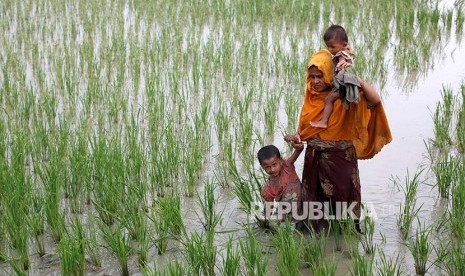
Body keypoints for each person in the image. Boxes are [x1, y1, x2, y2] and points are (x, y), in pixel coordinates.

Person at [297, 49, 392, 233]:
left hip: (341, 160)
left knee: (343, 201)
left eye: (320, 76)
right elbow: (304, 129)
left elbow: (375, 100)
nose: (316, 81)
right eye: (313, 77)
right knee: (315, 207)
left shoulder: (345, 96)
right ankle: (318, 238)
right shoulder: (311, 98)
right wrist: (297, 140)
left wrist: (356, 79)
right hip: (313, 160)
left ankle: (346, 236)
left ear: (331, 74)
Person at [310, 24, 360, 129]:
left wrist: (341, 62)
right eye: (328, 46)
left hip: (343, 85)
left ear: (344, 44)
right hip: (346, 84)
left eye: (332, 47)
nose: (330, 49)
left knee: (328, 99)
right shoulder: (347, 51)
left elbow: (342, 59)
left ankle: (324, 121)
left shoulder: (341, 55)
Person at [258, 135, 303, 224]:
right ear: (262, 167)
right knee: (275, 226)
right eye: (267, 167)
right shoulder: (268, 188)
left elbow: (299, 149)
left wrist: (294, 140)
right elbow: (269, 206)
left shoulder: (287, 166)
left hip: (302, 205)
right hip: (286, 214)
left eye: (274, 165)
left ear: (281, 161)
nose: (272, 169)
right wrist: (266, 221)